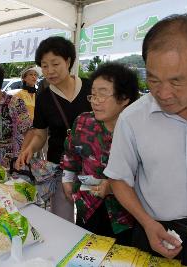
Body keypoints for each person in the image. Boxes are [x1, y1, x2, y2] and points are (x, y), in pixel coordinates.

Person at [104, 14, 187, 266]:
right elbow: (118, 178)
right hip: (158, 234)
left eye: (176, 81)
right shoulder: (133, 118)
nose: (163, 93)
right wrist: (146, 222)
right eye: (153, 79)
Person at [16, 36, 92, 222]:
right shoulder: (43, 98)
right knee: (62, 218)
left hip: (92, 166)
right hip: (60, 165)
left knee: (91, 220)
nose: (50, 71)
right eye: (44, 66)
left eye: (55, 64)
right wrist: (29, 149)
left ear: (68, 61)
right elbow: (41, 134)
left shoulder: (90, 88)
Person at [61, 62, 138, 243]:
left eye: (102, 95)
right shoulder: (83, 122)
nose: (95, 101)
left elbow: (147, 175)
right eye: (93, 94)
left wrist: (112, 187)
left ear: (124, 98)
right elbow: (71, 153)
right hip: (88, 206)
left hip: (125, 215)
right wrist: (66, 179)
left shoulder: (137, 131)